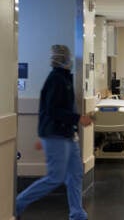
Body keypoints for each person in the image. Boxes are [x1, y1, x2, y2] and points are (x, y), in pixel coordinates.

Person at [16, 45, 92, 220]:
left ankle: (77, 213)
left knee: (75, 174)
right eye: (68, 57)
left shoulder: (65, 79)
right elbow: (52, 110)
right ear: (63, 59)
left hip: (66, 135)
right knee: (55, 177)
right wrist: (78, 119)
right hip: (56, 135)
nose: (70, 60)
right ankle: (18, 203)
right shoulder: (56, 80)